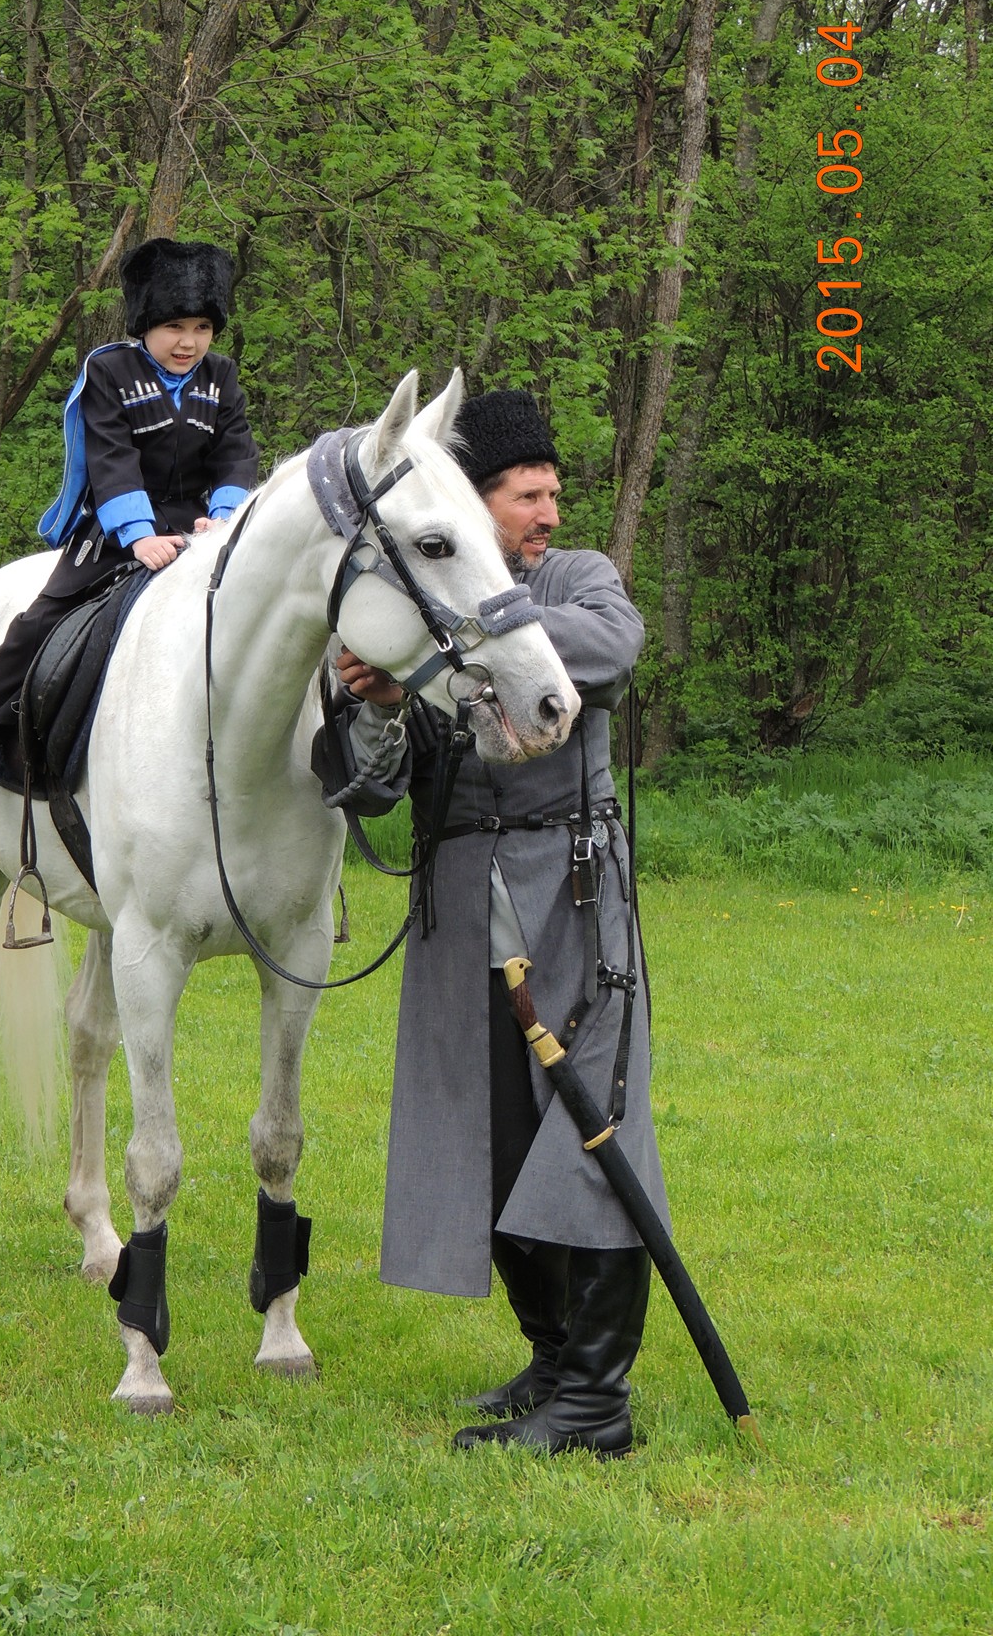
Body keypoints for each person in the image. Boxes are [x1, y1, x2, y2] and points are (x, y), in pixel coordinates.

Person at [333, 387, 669, 1457]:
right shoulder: (413, 610)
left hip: (572, 887)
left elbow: (610, 647)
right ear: (475, 508)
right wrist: (380, 704)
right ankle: (554, 1356)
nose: (551, 512)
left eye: (553, 492)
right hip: (459, 900)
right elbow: (373, 792)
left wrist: (456, 630)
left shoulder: (578, 581)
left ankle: (597, 1406)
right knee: (494, 1137)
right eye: (530, 495)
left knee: (588, 1130)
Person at [0, 238, 259, 815]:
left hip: (200, 532)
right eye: (176, 326)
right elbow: (111, 458)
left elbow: (236, 454)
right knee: (37, 623)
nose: (189, 342)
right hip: (114, 531)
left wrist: (228, 519)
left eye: (204, 328)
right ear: (145, 323)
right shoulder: (109, 370)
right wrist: (139, 534)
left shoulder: (222, 377)